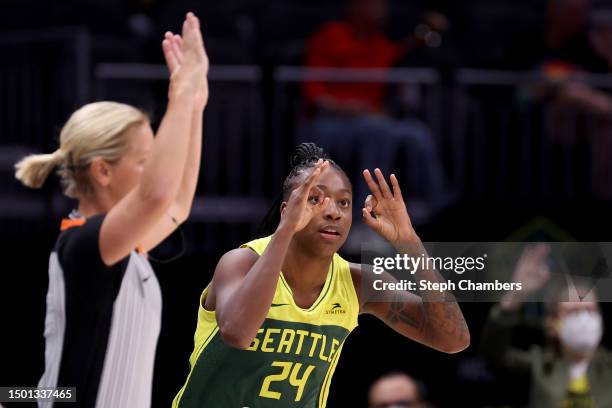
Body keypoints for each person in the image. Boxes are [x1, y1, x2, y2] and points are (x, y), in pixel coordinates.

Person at [173, 142, 469, 407]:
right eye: (315, 199)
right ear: (287, 210)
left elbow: (453, 341)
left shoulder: (357, 282)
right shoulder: (242, 262)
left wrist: (410, 244)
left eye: (344, 202)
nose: (333, 212)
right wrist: (285, 231)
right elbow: (238, 333)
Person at [14, 12, 208, 407]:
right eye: (146, 160)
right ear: (102, 171)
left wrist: (193, 106)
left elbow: (176, 205)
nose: (157, 168)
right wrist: (182, 96)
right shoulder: (83, 242)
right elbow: (158, 196)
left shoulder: (121, 244)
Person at [300, 0, 450, 220]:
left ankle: (438, 206)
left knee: (418, 134)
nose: (379, 10)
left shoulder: (380, 43)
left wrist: (430, 28)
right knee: (377, 130)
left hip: (373, 118)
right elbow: (313, 93)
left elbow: (408, 48)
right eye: (372, 4)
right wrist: (349, 108)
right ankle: (367, 213)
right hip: (330, 122)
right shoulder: (330, 35)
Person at [481, 244, 612, 407]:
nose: (584, 318)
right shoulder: (539, 365)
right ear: (552, 323)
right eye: (573, 311)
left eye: (590, 310)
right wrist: (516, 294)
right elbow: (493, 352)